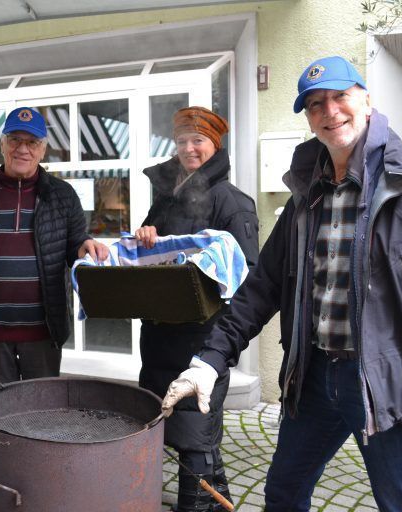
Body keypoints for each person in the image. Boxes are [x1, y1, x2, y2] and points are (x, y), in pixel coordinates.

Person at [161, 56, 402, 511]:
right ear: (308, 117)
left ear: (366, 100)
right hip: (314, 379)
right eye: (316, 104)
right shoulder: (307, 195)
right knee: (283, 494)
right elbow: (262, 288)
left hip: (386, 384)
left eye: (340, 96)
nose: (330, 111)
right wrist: (209, 359)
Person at [134, 106, 259, 512]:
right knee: (170, 429)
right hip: (158, 338)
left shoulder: (232, 203)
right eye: (183, 140)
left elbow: (249, 279)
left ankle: (196, 506)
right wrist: (146, 236)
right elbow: (149, 257)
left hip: (202, 342)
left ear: (215, 144)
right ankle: (209, 502)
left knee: (194, 435)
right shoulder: (167, 199)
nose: (189, 148)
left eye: (198, 140)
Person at [0, 106, 108, 384]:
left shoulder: (62, 195)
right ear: (2, 144)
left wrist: (85, 246)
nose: (22, 149)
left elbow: (75, 243)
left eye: (32, 142)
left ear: (43, 149)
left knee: (41, 412)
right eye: (15, 140)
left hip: (44, 332)